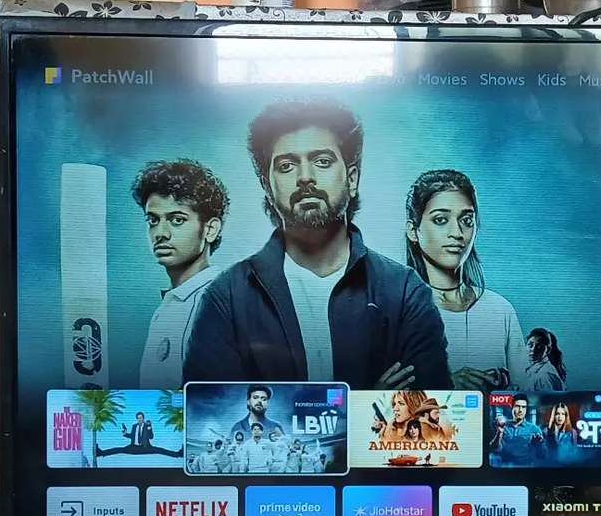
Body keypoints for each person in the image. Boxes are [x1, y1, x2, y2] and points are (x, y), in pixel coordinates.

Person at [183, 100, 451, 390]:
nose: (305, 177)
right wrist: (365, 403)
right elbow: (212, 412)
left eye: (322, 161)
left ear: (352, 179)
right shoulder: (227, 296)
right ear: (267, 186)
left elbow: (428, 411)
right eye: (286, 166)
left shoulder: (405, 291)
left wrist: (282, 405)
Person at [405, 169, 527, 391]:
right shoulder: (398, 311)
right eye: (441, 220)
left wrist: (504, 386)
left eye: (467, 220)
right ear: (414, 230)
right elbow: (383, 398)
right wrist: (444, 385)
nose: (457, 232)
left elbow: (529, 393)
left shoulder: (499, 310)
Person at [134, 160, 230, 388]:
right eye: (153, 220)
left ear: (210, 229)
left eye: (177, 220)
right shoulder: (169, 305)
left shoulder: (221, 302)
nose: (161, 233)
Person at [490, 393, 544, 467]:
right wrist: (499, 432)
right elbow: (493, 449)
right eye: (517, 406)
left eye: (523, 407)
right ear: (512, 407)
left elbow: (542, 455)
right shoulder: (501, 426)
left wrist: (538, 446)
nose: (520, 410)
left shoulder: (535, 429)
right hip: (504, 468)